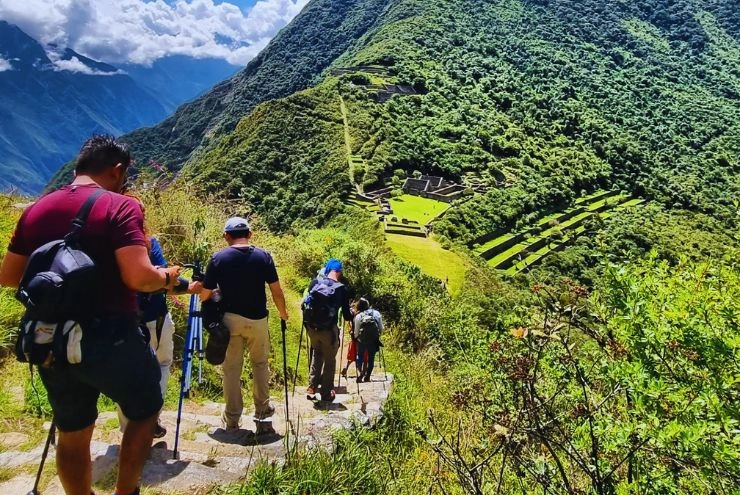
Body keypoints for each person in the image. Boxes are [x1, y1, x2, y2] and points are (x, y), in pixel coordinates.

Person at [0, 134, 181, 495]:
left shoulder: (38, 208)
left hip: (51, 338)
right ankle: (125, 491)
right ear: (116, 170)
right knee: (145, 408)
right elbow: (139, 277)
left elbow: (8, 276)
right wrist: (167, 278)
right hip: (110, 335)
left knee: (73, 429)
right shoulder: (121, 206)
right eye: (125, 174)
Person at [196, 217, 289, 430]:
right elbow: (277, 292)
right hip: (258, 320)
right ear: (250, 234)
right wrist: (283, 313)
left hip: (230, 320)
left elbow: (204, 296)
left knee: (231, 369)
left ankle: (232, 419)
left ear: (226, 236)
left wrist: (208, 289)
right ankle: (262, 413)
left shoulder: (218, 258)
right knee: (260, 365)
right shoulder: (264, 257)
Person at [118, 236, 195, 438]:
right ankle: (150, 421)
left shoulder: (104, 242)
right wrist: (188, 286)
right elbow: (162, 281)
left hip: (117, 321)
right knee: (161, 365)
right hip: (153, 319)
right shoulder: (147, 243)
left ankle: (128, 428)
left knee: (126, 374)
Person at [303, 259, 352, 403]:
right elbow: (347, 316)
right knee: (330, 361)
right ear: (339, 272)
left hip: (312, 329)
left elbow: (305, 303)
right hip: (329, 331)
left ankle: (312, 387)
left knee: (317, 355)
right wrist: (352, 312)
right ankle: (325, 393)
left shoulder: (314, 283)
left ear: (327, 269)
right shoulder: (342, 289)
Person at [352, 297, 384, 382]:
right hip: (373, 340)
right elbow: (381, 328)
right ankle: (368, 376)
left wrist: (356, 338)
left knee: (360, 356)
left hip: (362, 340)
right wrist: (377, 335)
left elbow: (356, 332)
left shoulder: (359, 316)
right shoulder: (376, 313)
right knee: (371, 358)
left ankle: (360, 373)